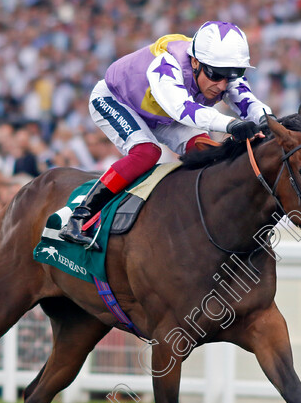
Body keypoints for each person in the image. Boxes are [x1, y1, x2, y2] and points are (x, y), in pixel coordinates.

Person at [58, 21, 273, 250]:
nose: (221, 85)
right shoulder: (166, 65)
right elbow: (182, 109)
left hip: (161, 112)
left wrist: (268, 121)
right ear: (195, 62)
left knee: (207, 151)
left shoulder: (220, 71)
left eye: (231, 76)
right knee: (146, 153)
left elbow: (251, 104)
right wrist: (231, 125)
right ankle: (80, 216)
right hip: (116, 100)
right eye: (216, 75)